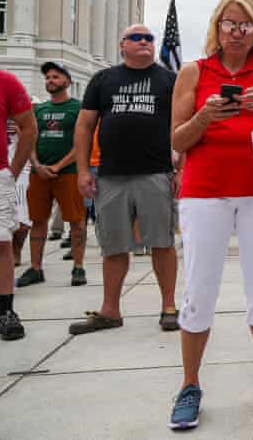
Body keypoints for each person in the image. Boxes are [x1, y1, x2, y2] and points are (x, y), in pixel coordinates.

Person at [168, 0, 253, 430]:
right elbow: (178, 140)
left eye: (245, 26)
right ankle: (190, 385)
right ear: (217, 26)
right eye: (229, 24)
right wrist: (205, 117)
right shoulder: (194, 71)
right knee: (199, 289)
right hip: (204, 191)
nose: (237, 32)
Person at [69, 24, 180, 335]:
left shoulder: (169, 80)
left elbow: (182, 125)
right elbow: (84, 126)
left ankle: (169, 307)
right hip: (111, 175)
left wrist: (180, 168)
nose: (144, 41)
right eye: (136, 37)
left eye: (149, 38)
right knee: (113, 246)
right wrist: (81, 171)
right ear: (123, 45)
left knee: (162, 242)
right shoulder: (104, 79)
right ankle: (110, 310)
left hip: (156, 173)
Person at [17, 62, 87, 287]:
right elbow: (30, 137)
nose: (50, 81)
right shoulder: (39, 109)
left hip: (68, 173)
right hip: (39, 174)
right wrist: (36, 164)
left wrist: (58, 166)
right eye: (48, 78)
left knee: (76, 221)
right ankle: (36, 268)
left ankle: (78, 267)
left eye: (55, 77)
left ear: (67, 81)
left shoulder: (78, 108)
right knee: (38, 220)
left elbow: (81, 142)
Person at [0, 71, 36, 341]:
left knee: (1, 243)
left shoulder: (7, 82)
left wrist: (12, 171)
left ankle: (5, 311)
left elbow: (29, 127)